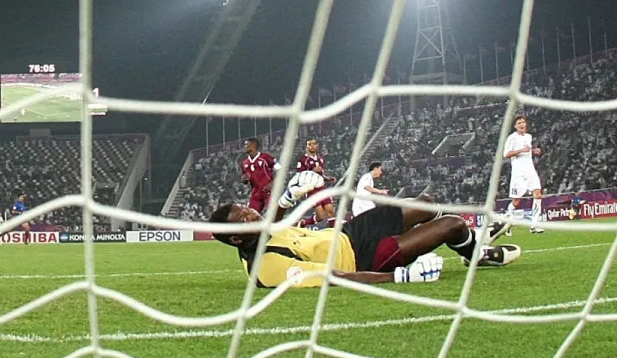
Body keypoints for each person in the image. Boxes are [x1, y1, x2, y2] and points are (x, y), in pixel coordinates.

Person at [212, 188, 518, 288]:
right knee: (451, 224)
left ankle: (472, 246)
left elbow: (271, 220)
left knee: (425, 202)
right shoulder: (267, 267)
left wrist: (286, 199)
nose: (253, 214)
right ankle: (477, 252)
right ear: (236, 239)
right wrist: (399, 277)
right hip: (364, 258)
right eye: (244, 218)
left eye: (246, 208)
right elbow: (336, 277)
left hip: (350, 233)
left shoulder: (261, 232)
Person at [503, 116, 545, 233]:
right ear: (515, 126)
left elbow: (527, 151)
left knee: (538, 195)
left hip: (530, 170)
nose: (522, 124)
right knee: (516, 202)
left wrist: (534, 151)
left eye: (523, 122)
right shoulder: (512, 138)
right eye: (519, 123)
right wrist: (521, 150)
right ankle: (507, 220)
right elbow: (506, 154)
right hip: (518, 172)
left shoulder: (528, 137)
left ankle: (534, 225)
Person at [240, 138, 276, 214]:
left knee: (274, 213)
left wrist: (272, 183)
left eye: (247, 145)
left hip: (268, 192)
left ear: (254, 145)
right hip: (256, 194)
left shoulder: (265, 157)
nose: (245, 147)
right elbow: (245, 179)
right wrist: (244, 180)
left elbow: (280, 170)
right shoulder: (244, 163)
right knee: (250, 216)